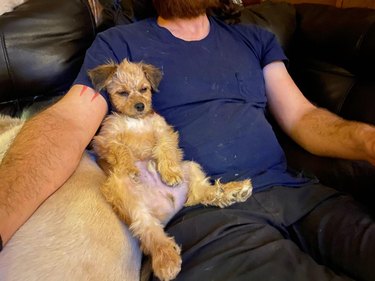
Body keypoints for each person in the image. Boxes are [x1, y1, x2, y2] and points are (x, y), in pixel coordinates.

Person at [0, 0, 374, 280]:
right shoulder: (119, 45)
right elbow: (67, 122)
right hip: (206, 217)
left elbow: (304, 118)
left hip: (300, 196)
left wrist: (368, 140)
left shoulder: (256, 39)